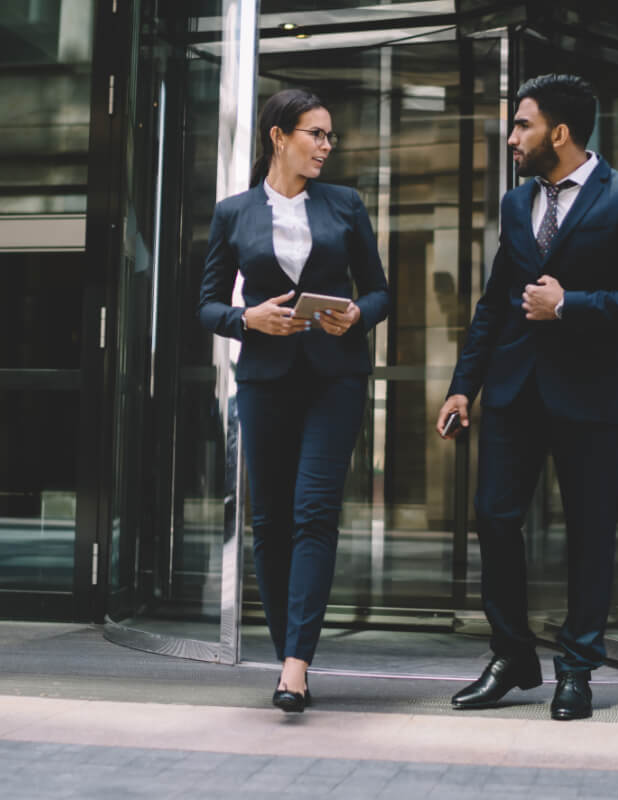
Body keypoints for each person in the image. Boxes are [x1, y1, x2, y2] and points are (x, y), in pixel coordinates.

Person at [436, 74, 618, 718]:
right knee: (494, 516)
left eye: (523, 125)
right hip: (514, 392)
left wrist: (571, 304)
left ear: (560, 133)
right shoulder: (519, 204)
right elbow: (494, 305)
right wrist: (465, 385)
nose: (512, 136)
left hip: (590, 396)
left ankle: (577, 667)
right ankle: (513, 656)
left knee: (590, 535)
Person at [198, 88, 388, 713]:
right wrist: (246, 319)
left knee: (313, 512)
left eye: (331, 136)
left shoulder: (346, 204)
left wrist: (357, 313)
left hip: (335, 377)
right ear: (279, 136)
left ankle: (296, 667)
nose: (327, 146)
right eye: (317, 134)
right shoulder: (234, 213)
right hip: (266, 380)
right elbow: (205, 305)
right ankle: (288, 654)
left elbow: (381, 293)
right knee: (271, 522)